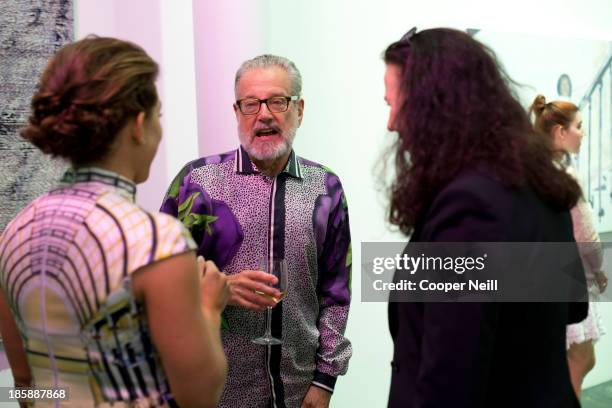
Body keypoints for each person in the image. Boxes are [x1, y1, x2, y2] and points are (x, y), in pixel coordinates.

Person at [0, 36, 229, 407]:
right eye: (159, 116)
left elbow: (25, 383)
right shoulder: (156, 241)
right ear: (139, 125)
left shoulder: (14, 233)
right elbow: (199, 394)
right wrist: (208, 306)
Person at [383, 28, 588, 407]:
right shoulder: (539, 181)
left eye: (395, 104)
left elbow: (450, 379)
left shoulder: (466, 205)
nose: (391, 122)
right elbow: (573, 304)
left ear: (434, 106)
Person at [160, 54, 352, 408]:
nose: (264, 114)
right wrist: (219, 289)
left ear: (300, 109)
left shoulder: (325, 188)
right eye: (251, 104)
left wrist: (325, 380)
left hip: (297, 393)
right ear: (237, 112)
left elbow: (335, 291)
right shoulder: (196, 182)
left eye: (277, 101)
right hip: (214, 391)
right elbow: (158, 282)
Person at [530, 94, 608, 398]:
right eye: (579, 126)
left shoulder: (533, 172)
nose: (583, 133)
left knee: (567, 363)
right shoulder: (564, 176)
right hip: (569, 282)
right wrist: (600, 271)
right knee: (580, 361)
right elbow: (586, 235)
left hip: (539, 283)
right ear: (560, 132)